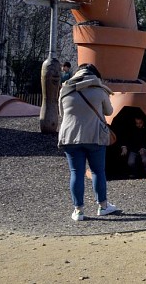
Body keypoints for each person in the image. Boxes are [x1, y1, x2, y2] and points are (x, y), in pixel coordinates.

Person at [58, 63, 119, 221]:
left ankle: (78, 211)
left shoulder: (65, 90)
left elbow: (61, 113)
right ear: (95, 75)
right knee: (97, 171)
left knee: (76, 173)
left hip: (70, 137)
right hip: (94, 137)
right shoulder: (99, 90)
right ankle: (103, 206)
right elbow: (109, 111)